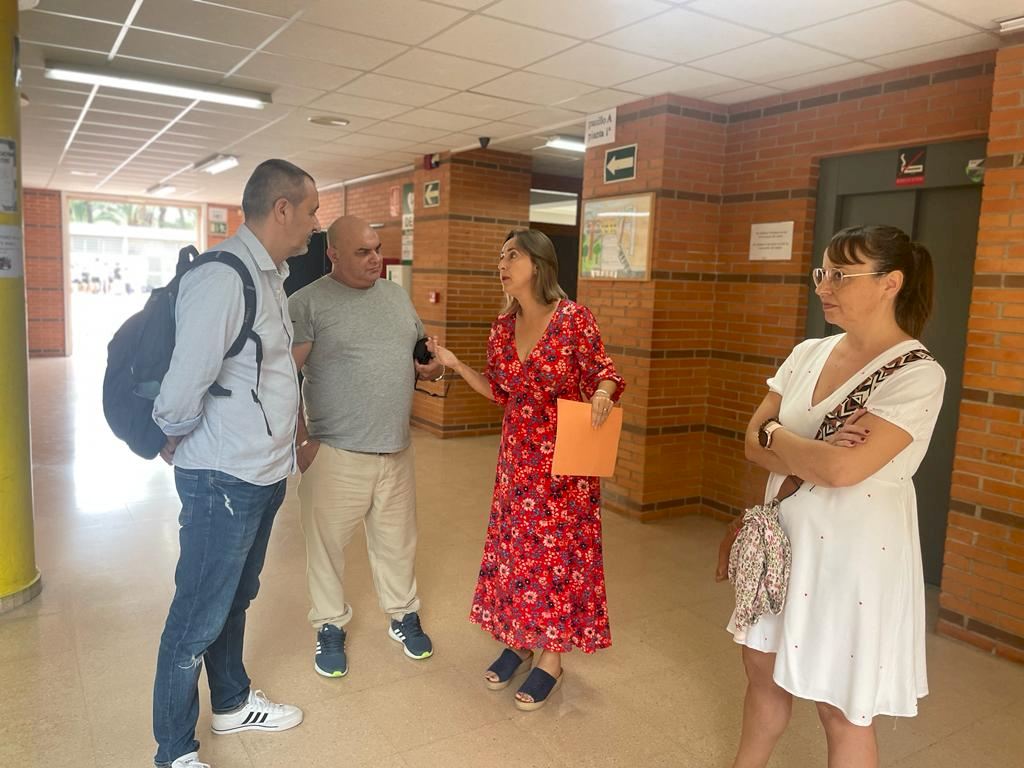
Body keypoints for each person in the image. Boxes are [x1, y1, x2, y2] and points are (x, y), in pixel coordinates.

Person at [728, 224, 945, 768]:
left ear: (891, 282)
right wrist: (798, 446)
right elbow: (751, 442)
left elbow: (842, 468)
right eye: (822, 272)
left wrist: (779, 435)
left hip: (854, 557)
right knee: (761, 677)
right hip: (783, 545)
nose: (824, 286)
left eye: (841, 275)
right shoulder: (807, 352)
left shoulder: (917, 374)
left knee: (840, 710)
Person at [151, 159, 320, 768]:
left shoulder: (269, 274)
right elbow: (184, 383)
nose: (315, 224)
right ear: (282, 209)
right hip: (222, 476)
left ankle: (230, 701)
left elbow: (267, 370)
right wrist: (173, 432)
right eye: (311, 211)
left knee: (234, 598)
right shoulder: (224, 276)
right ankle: (174, 751)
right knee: (196, 616)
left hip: (261, 471)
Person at [428, 228, 624, 711]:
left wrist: (602, 393)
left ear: (537, 264)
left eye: (511, 256)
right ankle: (518, 640)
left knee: (557, 559)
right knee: (516, 552)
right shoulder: (501, 328)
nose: (502, 264)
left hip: (566, 465)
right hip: (518, 462)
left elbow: (605, 372)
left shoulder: (574, 318)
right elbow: (500, 392)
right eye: (500, 257)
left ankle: (551, 659)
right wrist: (455, 364)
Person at [289, 215, 443, 678]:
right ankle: (329, 624)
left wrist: (432, 367)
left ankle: (402, 615)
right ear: (333, 254)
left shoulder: (396, 296)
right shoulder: (307, 303)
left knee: (398, 543)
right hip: (336, 452)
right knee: (325, 550)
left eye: (376, 248)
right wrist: (301, 440)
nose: (375, 258)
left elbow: (421, 357)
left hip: (396, 450)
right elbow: (281, 378)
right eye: (362, 252)